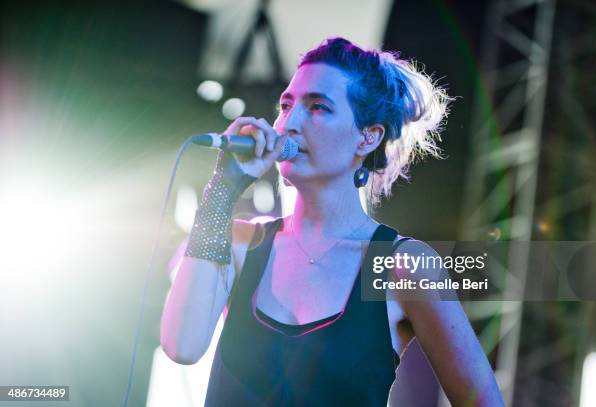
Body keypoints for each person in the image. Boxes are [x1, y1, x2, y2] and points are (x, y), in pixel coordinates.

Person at [161, 37, 504, 406]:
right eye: (286, 105)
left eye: (318, 108)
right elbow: (182, 345)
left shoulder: (401, 265)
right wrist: (222, 189)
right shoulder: (242, 242)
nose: (290, 123)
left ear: (367, 137)